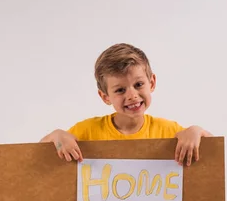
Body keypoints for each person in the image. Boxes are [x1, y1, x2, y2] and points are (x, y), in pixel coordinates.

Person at [40, 43, 213, 166]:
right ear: (105, 96)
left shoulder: (168, 131)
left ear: (151, 83)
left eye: (138, 85)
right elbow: (37, 154)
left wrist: (195, 131)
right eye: (120, 90)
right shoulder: (87, 132)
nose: (132, 95)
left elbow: (213, 153)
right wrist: (57, 136)